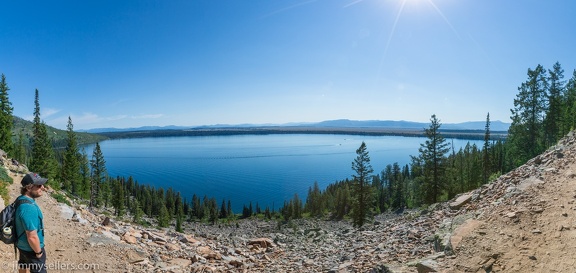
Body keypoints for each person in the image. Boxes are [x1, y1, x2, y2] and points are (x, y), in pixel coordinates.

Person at [15, 172, 47, 273]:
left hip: (22, 245)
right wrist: (38, 252)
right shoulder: (28, 208)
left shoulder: (21, 199)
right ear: (28, 188)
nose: (42, 187)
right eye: (38, 185)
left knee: (23, 264)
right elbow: (32, 236)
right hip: (31, 250)